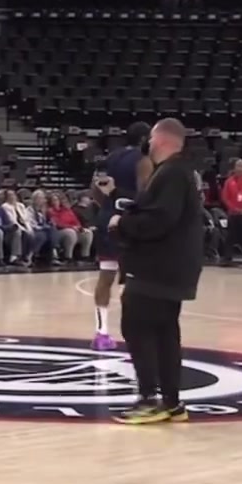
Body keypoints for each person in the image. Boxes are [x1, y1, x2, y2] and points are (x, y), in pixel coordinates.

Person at [110, 118, 203, 425]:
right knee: (165, 333)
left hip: (157, 268)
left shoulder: (172, 173)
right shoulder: (181, 172)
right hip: (172, 268)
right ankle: (172, 402)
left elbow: (160, 219)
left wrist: (122, 224)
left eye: (151, 139)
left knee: (138, 328)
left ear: (161, 140)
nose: (147, 144)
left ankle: (149, 399)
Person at [90, 122, 153, 351]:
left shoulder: (110, 158)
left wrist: (108, 205)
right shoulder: (143, 159)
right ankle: (134, 335)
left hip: (107, 219)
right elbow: (144, 192)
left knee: (105, 277)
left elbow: (95, 190)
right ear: (144, 139)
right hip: (129, 221)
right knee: (135, 280)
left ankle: (101, 333)